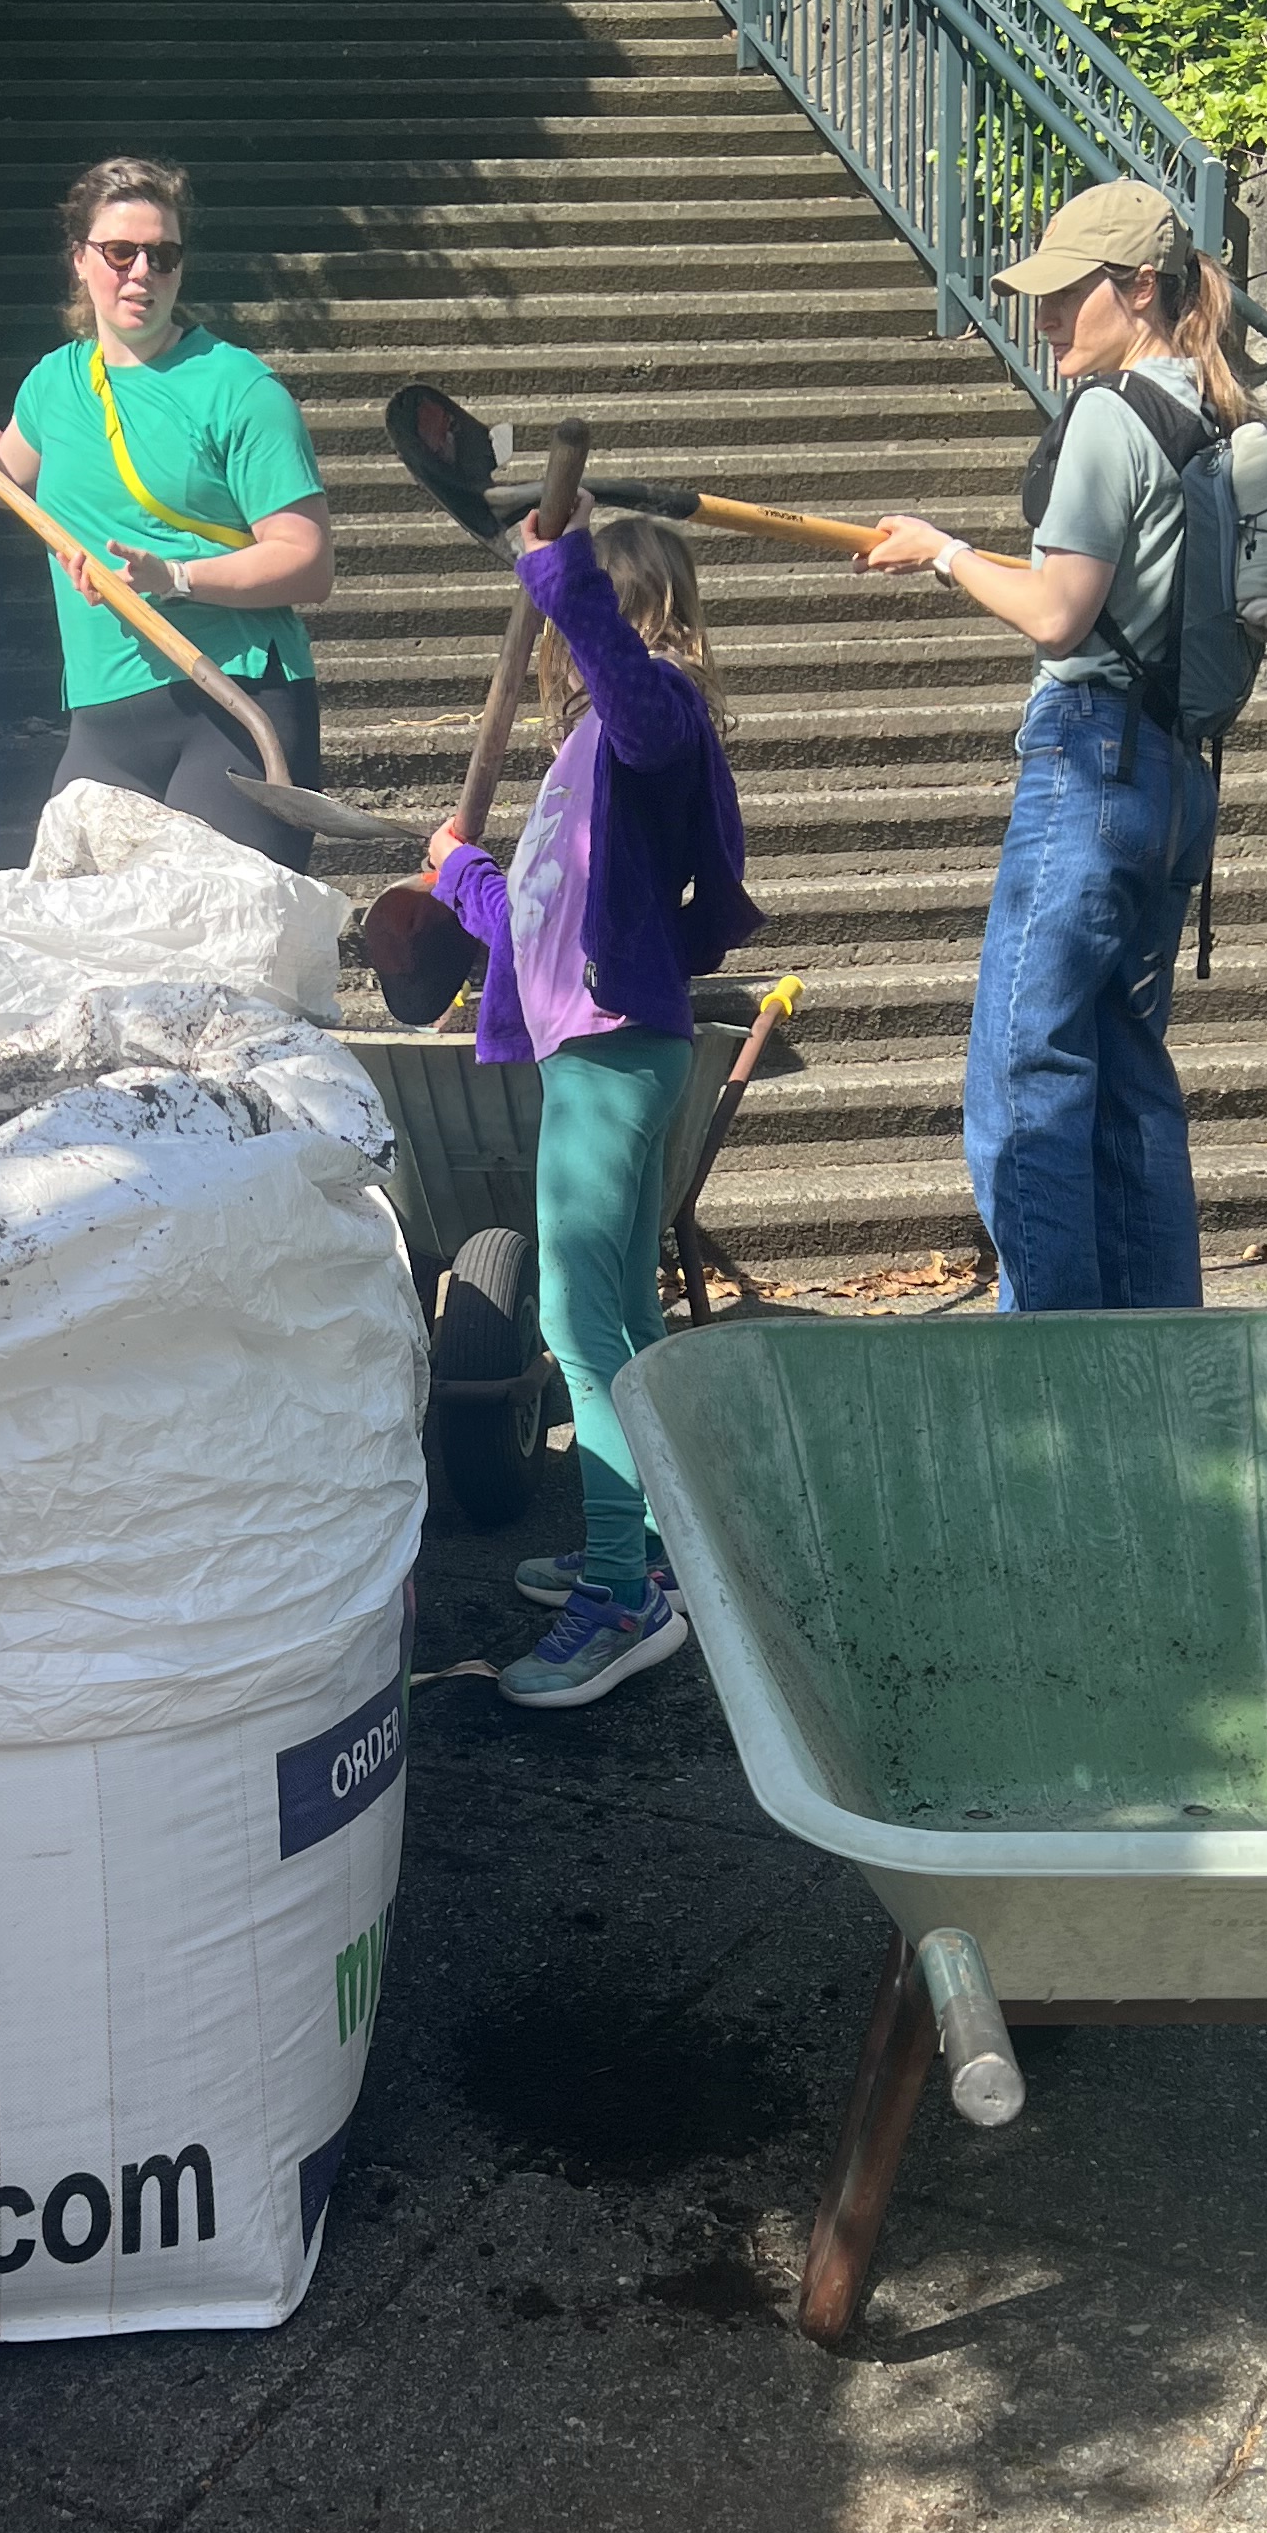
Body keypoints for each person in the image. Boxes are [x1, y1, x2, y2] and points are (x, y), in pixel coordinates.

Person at [857, 174, 1251, 1312]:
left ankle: (1046, 1365)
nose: (1043, 319)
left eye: (1068, 296)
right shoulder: (1215, 420)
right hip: (1176, 780)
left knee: (1023, 1076)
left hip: (1090, 765)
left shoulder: (1110, 417)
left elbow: (1057, 615)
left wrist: (942, 553)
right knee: (1129, 1082)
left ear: (1139, 290)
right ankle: (1157, 1355)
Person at [424, 501, 756, 1711]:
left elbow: (635, 695)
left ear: (613, 616)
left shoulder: (656, 712)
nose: (561, 641)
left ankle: (623, 1602)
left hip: (616, 1054)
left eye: (576, 617)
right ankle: (651, 1546)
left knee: (574, 1326)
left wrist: (552, 567)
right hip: (600, 1053)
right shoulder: (585, 762)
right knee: (620, 1312)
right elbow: (535, 921)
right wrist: (461, 874)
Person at [0, 156, 331, 860]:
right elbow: (0, 478)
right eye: (120, 252)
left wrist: (175, 578)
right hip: (104, 718)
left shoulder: (239, 389)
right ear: (81, 261)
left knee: (213, 930)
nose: (142, 272)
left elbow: (308, 562)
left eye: (163, 255)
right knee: (79, 928)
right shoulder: (57, 381)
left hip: (233, 703)